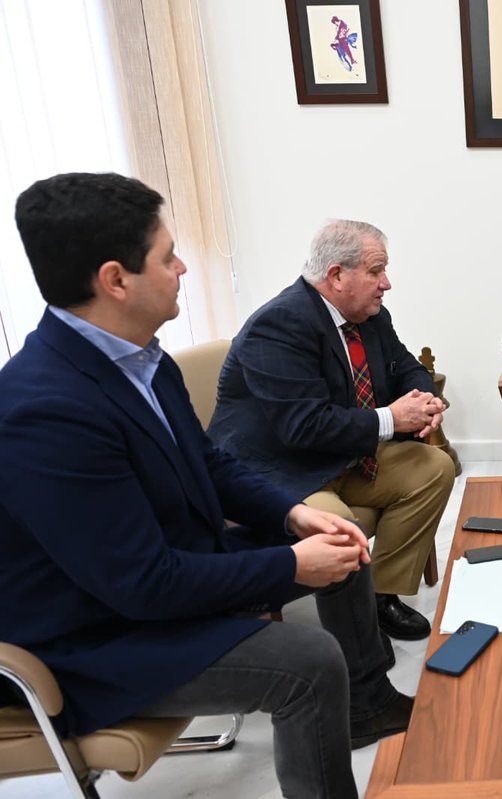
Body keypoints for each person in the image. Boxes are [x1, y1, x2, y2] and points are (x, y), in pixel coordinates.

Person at [0, 172, 410, 799]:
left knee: (343, 543)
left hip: (164, 575)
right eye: (168, 258)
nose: (185, 268)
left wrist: (296, 518)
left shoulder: (141, 356)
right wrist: (289, 563)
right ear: (115, 280)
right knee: (308, 664)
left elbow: (209, 466)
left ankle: (368, 700)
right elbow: (143, 585)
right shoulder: (45, 409)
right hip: (97, 638)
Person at [208, 220, 455, 644]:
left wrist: (425, 400)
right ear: (337, 275)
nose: (387, 283)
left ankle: (380, 599)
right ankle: (356, 641)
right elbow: (304, 427)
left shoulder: (371, 316)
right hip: (283, 471)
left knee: (434, 466)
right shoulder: (278, 325)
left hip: (342, 455)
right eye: (376, 271)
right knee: (338, 527)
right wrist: (395, 418)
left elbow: (406, 366)